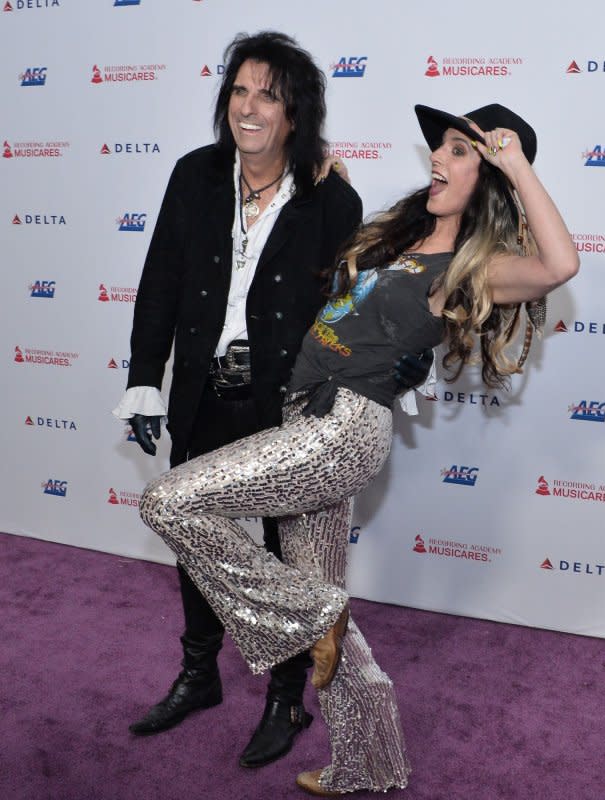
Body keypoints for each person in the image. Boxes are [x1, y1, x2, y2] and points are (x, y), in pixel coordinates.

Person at [138, 101, 579, 796]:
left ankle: (312, 614)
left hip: (342, 429)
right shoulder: (399, 238)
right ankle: (368, 763)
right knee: (329, 622)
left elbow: (558, 265)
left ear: (491, 174)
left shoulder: (479, 265)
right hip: (305, 414)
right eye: (441, 146)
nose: (438, 155)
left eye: (461, 151)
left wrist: (515, 160)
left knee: (168, 501)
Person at [113, 31, 429, 768]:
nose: (249, 108)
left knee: (289, 549)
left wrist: (393, 375)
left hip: (288, 400)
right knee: (195, 532)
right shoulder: (194, 175)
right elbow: (160, 283)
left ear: (295, 113)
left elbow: (363, 305)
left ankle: (287, 694)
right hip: (200, 386)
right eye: (240, 90)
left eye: (270, 95)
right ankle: (198, 672)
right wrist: (141, 376)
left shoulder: (331, 199)